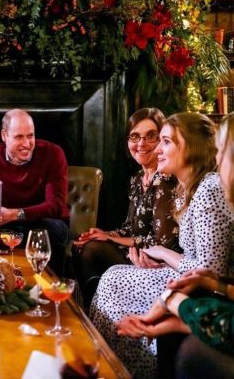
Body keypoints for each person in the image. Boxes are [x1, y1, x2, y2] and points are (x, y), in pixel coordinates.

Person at [90, 112, 234, 378]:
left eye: (166, 141)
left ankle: (123, 369)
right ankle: (114, 365)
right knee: (113, 277)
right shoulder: (187, 188)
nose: (157, 149)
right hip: (193, 279)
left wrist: (165, 255)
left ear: (191, 147)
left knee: (114, 280)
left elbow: (210, 271)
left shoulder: (209, 189)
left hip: (208, 290)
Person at [73, 108, 179, 307]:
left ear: (162, 141)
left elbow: (162, 242)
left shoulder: (166, 180)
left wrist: (111, 239)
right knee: (84, 244)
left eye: (150, 136)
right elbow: (130, 227)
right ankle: (93, 309)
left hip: (156, 260)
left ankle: (90, 311)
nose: (141, 144)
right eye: (135, 136)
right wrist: (104, 234)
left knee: (92, 250)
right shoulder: (137, 179)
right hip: (136, 251)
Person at [0, 109, 69, 275]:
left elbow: (56, 206)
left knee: (51, 230)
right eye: (19, 137)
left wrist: (16, 214)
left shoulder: (53, 153)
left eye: (30, 136)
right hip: (5, 223)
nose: (27, 144)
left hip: (43, 222)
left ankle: (52, 286)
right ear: (4, 136)